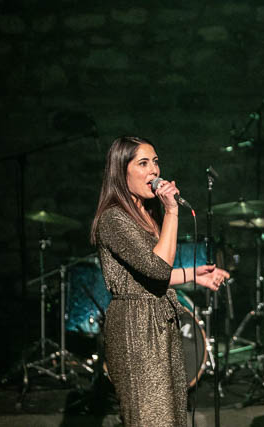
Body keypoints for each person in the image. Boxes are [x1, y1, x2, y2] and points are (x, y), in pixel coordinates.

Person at [90, 136, 229, 427]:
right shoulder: (114, 219)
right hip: (135, 327)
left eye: (155, 162)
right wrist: (172, 211)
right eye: (143, 163)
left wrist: (194, 275)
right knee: (150, 416)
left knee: (171, 414)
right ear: (121, 171)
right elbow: (158, 268)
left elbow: (148, 278)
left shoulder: (144, 214)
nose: (154, 171)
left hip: (158, 322)